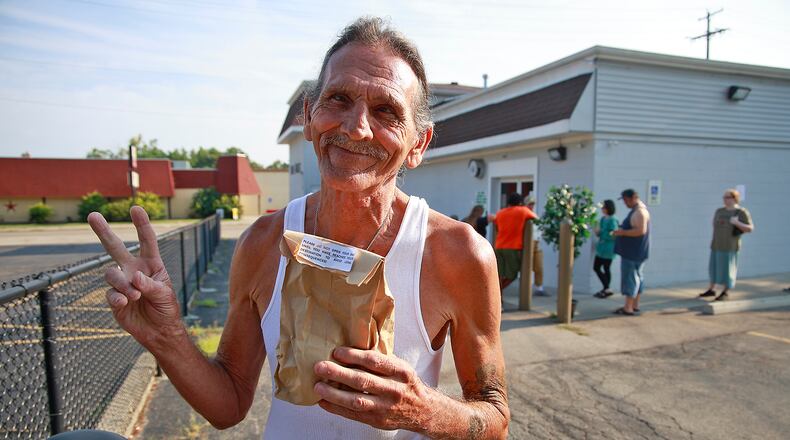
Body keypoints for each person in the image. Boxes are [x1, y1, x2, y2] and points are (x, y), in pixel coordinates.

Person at [87, 17, 508, 439]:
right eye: (338, 99)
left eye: (386, 111)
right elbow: (229, 403)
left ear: (418, 144)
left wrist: (424, 411)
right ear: (309, 116)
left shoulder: (457, 254)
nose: (356, 126)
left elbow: (495, 418)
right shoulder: (263, 242)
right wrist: (167, 335)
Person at [698, 189, 754, 301]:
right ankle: (712, 289)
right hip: (716, 244)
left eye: (727, 197)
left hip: (730, 246)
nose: (725, 200)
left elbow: (750, 228)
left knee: (727, 270)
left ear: (734, 198)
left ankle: (725, 292)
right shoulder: (719, 211)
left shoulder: (741, 212)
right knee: (713, 268)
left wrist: (737, 223)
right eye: (724, 197)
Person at [612, 189, 650, 315]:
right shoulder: (639, 210)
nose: (625, 203)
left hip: (633, 252)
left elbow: (640, 231)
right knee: (637, 277)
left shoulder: (639, 212)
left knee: (631, 278)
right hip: (637, 251)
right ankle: (634, 305)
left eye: (626, 200)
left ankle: (628, 307)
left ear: (633, 198)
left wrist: (622, 232)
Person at [490, 193, 538, 291]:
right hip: (513, 247)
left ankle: (498, 297)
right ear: (520, 202)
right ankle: (496, 292)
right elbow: (535, 218)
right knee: (512, 275)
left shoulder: (500, 212)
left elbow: (496, 224)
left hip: (499, 246)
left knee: (499, 274)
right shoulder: (523, 211)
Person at [593, 199, 618, 298]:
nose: (602, 209)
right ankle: (606, 288)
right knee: (597, 267)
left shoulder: (613, 220)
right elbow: (599, 233)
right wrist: (597, 231)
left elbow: (613, 234)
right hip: (601, 247)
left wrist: (602, 233)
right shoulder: (603, 219)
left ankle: (607, 288)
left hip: (608, 248)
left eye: (604, 207)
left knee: (606, 267)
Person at [524, 196, 546, 296]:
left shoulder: (535, 216)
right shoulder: (524, 215)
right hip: (528, 243)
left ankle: (539, 287)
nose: (531, 206)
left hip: (537, 243)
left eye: (532, 204)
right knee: (527, 267)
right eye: (530, 204)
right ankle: (526, 290)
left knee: (539, 266)